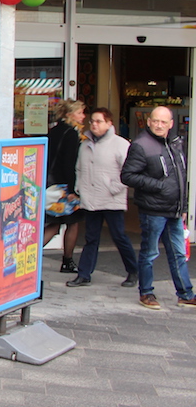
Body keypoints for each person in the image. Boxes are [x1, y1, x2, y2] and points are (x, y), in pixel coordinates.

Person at [120, 106, 196, 310]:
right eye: (155, 121)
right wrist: (158, 186)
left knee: (178, 254)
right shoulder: (141, 145)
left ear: (171, 124)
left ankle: (186, 294)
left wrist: (184, 206)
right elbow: (127, 176)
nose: (159, 125)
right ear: (148, 122)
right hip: (153, 209)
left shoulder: (175, 143)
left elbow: (181, 179)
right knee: (150, 253)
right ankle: (146, 293)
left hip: (173, 210)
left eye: (163, 122)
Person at [69, 107, 137, 288]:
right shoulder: (85, 145)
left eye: (98, 121)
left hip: (111, 199)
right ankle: (84, 274)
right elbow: (79, 168)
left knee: (119, 236)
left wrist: (114, 188)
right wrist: (79, 188)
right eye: (92, 121)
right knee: (91, 238)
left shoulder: (120, 144)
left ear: (109, 123)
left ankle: (133, 271)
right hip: (90, 199)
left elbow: (129, 171)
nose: (94, 124)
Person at [44, 99, 86, 273]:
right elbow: (69, 164)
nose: (83, 116)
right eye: (79, 113)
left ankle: (28, 255)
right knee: (72, 223)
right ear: (69, 115)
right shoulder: (71, 133)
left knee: (54, 224)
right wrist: (73, 189)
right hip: (64, 187)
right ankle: (67, 261)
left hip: (51, 184)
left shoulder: (54, 131)